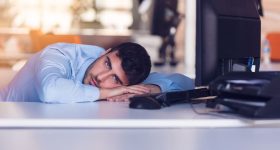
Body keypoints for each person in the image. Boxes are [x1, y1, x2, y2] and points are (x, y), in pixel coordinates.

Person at [0, 42, 194, 103]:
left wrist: (150, 88)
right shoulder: (59, 54)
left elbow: (186, 82)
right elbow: (51, 91)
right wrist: (106, 92)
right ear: (106, 52)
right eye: (107, 64)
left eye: (115, 80)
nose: (101, 78)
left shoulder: (126, 81)